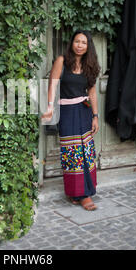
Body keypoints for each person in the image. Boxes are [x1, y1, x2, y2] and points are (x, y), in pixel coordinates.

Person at [42, 30, 100, 210]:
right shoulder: (62, 61)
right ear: (72, 43)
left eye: (84, 42)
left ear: (88, 46)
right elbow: (52, 84)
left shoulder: (89, 65)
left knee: (86, 153)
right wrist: (50, 107)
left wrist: (96, 116)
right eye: (77, 41)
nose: (80, 45)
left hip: (84, 112)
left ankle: (83, 193)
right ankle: (79, 194)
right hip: (67, 113)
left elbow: (91, 92)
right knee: (73, 154)